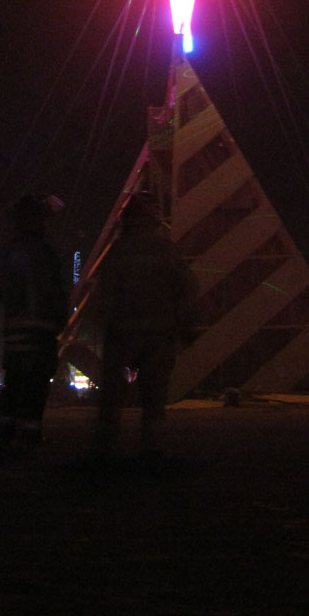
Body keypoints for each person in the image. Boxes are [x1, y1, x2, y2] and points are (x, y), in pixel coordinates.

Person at [91, 191, 198, 457]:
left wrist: (103, 325)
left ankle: (106, 447)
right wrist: (186, 324)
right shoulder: (166, 250)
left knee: (113, 395)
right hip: (158, 335)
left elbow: (103, 293)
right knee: (154, 397)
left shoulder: (119, 250)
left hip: (122, 333)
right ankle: (152, 447)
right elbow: (188, 288)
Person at [0, 193, 67, 448]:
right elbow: (56, 291)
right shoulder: (45, 254)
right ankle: (29, 434)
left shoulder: (8, 252)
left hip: (14, 331)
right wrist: (60, 319)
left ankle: (4, 433)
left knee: (12, 384)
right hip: (41, 332)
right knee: (35, 386)